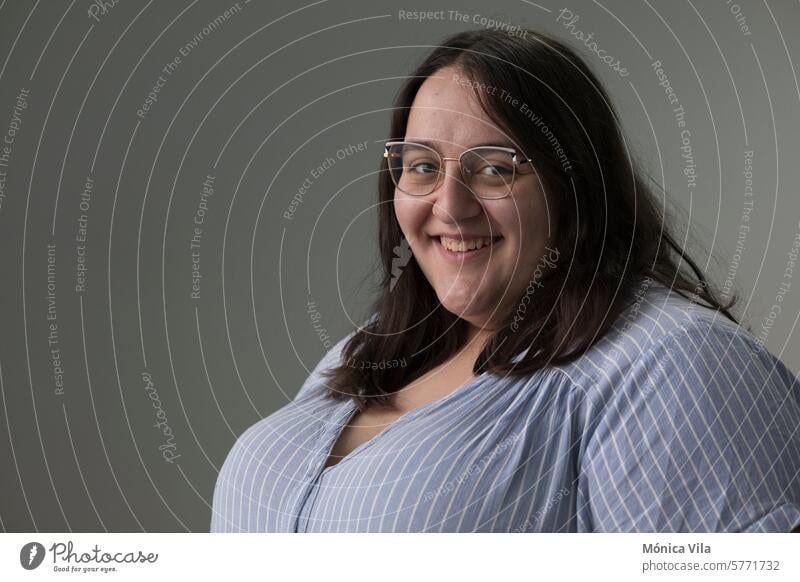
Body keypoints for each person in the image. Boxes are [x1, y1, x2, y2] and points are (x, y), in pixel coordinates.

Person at [210, 28, 800, 532]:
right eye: (421, 167)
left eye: (494, 168)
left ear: (574, 186)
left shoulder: (673, 363)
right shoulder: (365, 352)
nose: (451, 206)